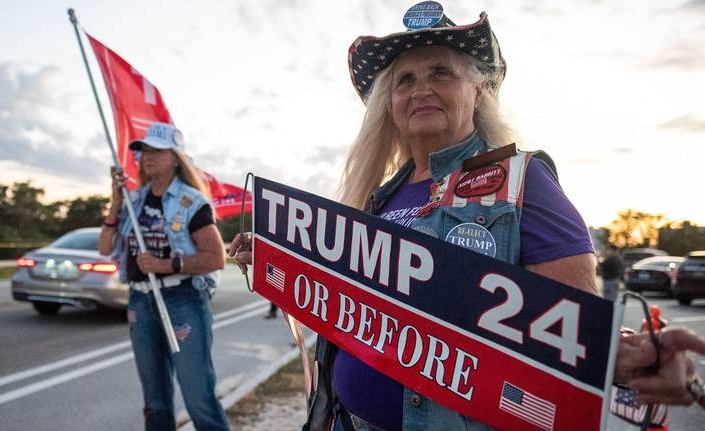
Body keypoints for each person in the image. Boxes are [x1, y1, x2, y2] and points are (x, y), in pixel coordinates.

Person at [229, 2, 705, 430]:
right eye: (405, 80)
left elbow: (572, 325)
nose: (421, 90)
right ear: (389, 106)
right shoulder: (376, 200)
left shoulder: (523, 181)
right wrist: (278, 260)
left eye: (441, 73)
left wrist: (629, 358)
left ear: (478, 92)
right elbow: (348, 302)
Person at [99, 122, 230, 431]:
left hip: (181, 299)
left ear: (175, 158)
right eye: (144, 150)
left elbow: (216, 258)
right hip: (141, 301)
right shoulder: (134, 201)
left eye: (157, 151)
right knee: (154, 401)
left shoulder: (192, 202)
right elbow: (105, 248)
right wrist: (116, 201)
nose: (148, 156)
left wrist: (164, 264)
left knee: (198, 396)